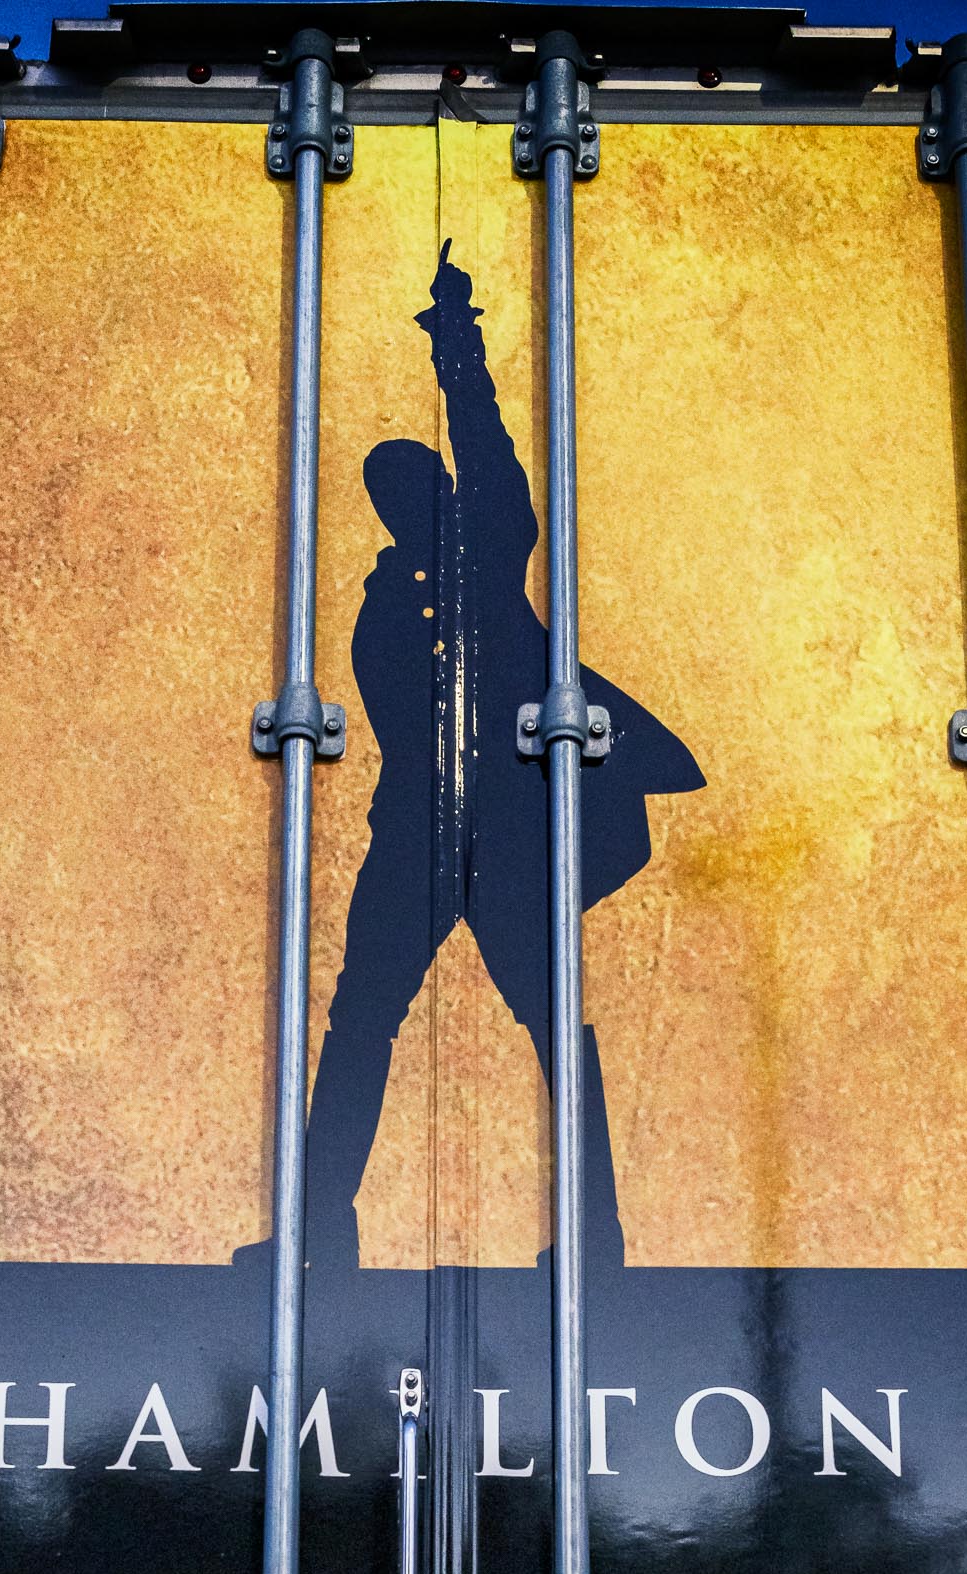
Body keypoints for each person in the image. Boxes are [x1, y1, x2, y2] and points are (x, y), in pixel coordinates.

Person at [298, 246, 704, 1268]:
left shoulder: (482, 559)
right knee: (363, 1020)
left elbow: (489, 455)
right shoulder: (390, 607)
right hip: (422, 838)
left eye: (423, 485)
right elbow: (402, 728)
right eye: (397, 494)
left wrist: (457, 351)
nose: (416, 501)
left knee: (550, 1026)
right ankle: (316, 1230)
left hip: (507, 837)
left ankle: (591, 1236)